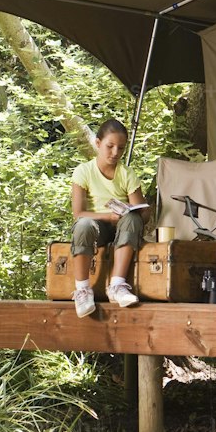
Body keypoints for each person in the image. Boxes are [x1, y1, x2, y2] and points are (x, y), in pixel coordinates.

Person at [71, 117, 147, 317]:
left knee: (133, 219)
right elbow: (78, 214)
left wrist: (132, 209)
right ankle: (82, 290)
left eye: (121, 148)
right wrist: (107, 217)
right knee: (83, 225)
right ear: (98, 143)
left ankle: (117, 285)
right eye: (110, 146)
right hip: (98, 227)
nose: (115, 153)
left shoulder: (126, 173)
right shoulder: (83, 172)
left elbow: (143, 212)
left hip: (124, 227)